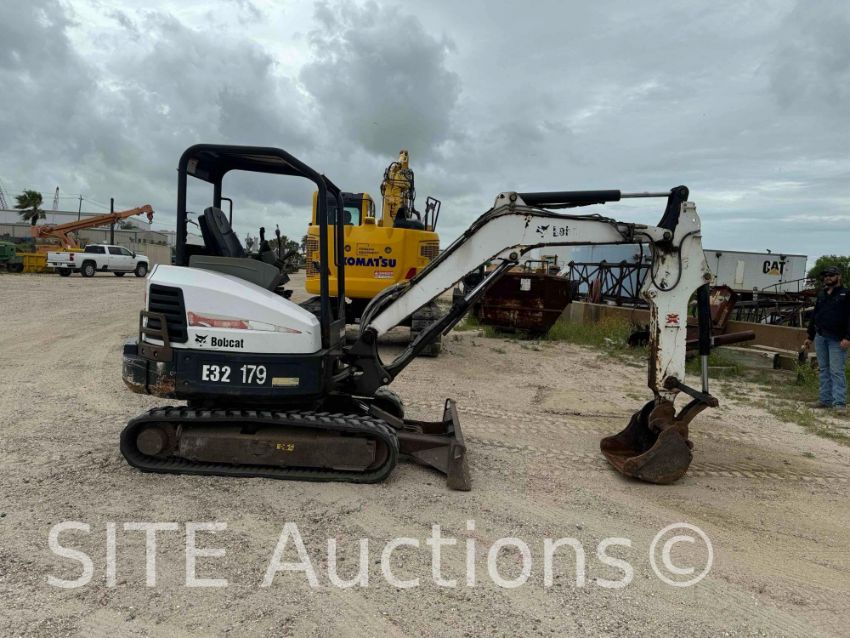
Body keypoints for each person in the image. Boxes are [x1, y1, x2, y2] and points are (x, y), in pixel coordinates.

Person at [803, 266, 850, 412]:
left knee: (837, 371)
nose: (828, 277)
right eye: (826, 275)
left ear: (839, 276)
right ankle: (825, 400)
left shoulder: (846, 294)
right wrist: (810, 336)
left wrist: (848, 337)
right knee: (824, 369)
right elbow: (815, 316)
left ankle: (839, 403)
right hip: (821, 337)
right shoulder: (822, 294)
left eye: (831, 275)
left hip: (837, 339)